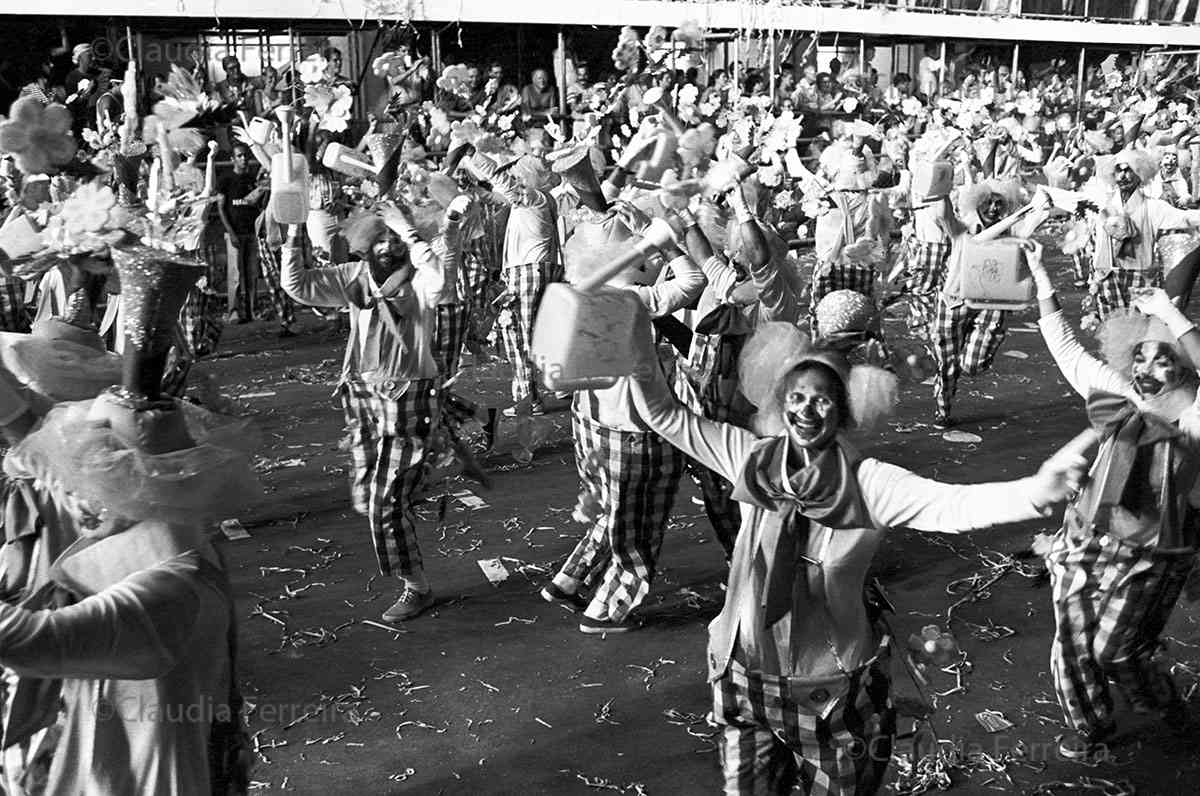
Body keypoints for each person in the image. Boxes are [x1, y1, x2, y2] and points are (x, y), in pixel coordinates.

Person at [623, 313, 1084, 794]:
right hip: (742, 678)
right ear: (780, 404)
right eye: (797, 397)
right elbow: (666, 416)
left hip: (831, 694)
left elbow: (954, 504)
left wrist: (1035, 491)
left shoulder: (870, 483)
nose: (806, 411)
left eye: (822, 400)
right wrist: (632, 345)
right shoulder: (753, 459)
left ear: (843, 411)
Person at [1027, 244, 1200, 759]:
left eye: (1163, 356)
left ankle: (1161, 701)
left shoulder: (1194, 419)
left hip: (1155, 557)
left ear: (1187, 365)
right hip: (1085, 541)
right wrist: (1041, 279)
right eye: (1140, 354)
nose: (1147, 366)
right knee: (1072, 648)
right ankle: (1092, 728)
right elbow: (1066, 348)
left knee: (1117, 652)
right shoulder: (1120, 393)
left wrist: (1169, 314)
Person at [280, 199, 467, 622]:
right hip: (363, 398)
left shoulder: (420, 278)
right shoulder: (354, 276)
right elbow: (298, 285)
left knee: (384, 501)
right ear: (364, 242)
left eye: (394, 238)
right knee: (369, 501)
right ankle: (407, 507)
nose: (387, 244)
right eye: (378, 236)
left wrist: (408, 230)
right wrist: (293, 233)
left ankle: (416, 587)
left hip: (410, 398)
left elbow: (439, 281)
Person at [540, 212, 706, 634]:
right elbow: (694, 282)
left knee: (614, 513)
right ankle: (606, 610)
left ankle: (569, 579)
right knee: (641, 525)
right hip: (636, 431)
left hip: (590, 426)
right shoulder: (632, 299)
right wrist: (668, 245)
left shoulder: (574, 294)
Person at [929, 180, 1051, 427]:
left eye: (999, 203)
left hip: (991, 304)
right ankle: (943, 411)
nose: (994, 208)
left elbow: (1038, 217)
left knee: (972, 365)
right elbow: (944, 214)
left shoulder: (1012, 233)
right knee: (947, 364)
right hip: (954, 301)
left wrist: (1047, 201)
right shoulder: (962, 230)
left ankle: (967, 365)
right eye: (988, 202)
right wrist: (940, 186)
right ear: (977, 203)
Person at [1088, 149, 1200, 320]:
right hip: (1107, 277)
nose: (1123, 176)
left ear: (1140, 174)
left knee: (1141, 332)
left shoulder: (1154, 207)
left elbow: (1185, 218)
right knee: (1112, 334)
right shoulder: (1103, 204)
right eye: (1119, 170)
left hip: (1140, 277)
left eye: (1129, 170)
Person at [216, 142, 267, 324]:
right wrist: (230, 232)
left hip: (251, 232)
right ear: (232, 159)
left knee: (252, 273)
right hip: (234, 232)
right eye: (239, 156)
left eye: (246, 155)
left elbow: (257, 204)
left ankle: (253, 309)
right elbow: (221, 207)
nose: (243, 159)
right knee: (235, 274)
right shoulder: (226, 179)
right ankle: (234, 311)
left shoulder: (251, 179)